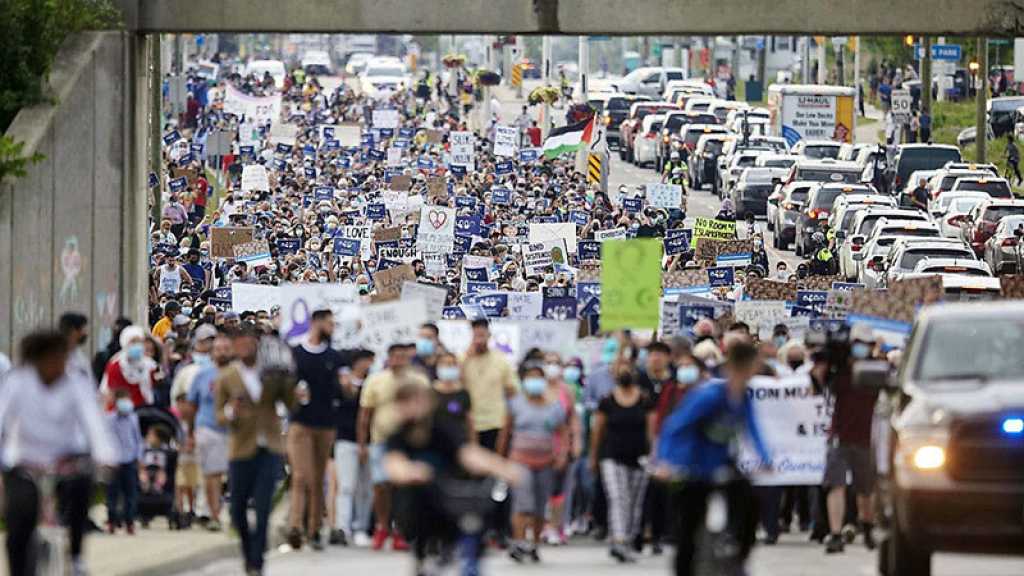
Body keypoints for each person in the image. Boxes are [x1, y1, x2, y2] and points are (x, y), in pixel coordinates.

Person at [0, 330, 115, 576]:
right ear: (39, 360)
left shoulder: (76, 382)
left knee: (81, 488)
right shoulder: (18, 381)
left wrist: (106, 456)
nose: (62, 364)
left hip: (66, 458)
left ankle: (75, 556)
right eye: (56, 359)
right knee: (18, 524)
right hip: (24, 460)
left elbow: (94, 423)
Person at [654, 341, 771, 576]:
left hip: (721, 466)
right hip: (692, 467)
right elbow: (675, 426)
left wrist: (766, 459)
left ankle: (738, 557)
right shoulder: (710, 395)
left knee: (750, 503)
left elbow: (753, 429)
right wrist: (664, 461)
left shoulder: (743, 398)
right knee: (688, 529)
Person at [384, 383, 524, 576]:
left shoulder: (441, 427)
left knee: (492, 499)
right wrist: (411, 471)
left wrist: (503, 468)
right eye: (405, 402)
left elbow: (468, 454)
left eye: (416, 400)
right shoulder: (397, 435)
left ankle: (494, 539)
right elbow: (394, 464)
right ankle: (426, 557)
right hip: (419, 504)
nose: (412, 406)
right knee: (415, 503)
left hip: (450, 497)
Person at [215, 326, 299, 576]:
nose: (245, 349)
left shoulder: (272, 372)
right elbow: (219, 415)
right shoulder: (227, 376)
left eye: (250, 344)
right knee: (237, 508)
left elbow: (290, 403)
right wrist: (232, 411)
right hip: (241, 447)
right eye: (240, 345)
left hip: (270, 446)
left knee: (263, 505)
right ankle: (247, 547)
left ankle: (257, 561)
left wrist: (293, 387)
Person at [812, 324, 880, 554]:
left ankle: (868, 526)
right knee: (836, 484)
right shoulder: (839, 370)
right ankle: (835, 533)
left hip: (865, 437)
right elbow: (818, 385)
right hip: (839, 435)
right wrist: (824, 362)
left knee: (865, 490)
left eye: (865, 344)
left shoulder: (877, 369)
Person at [359, 343, 431, 551]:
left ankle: (400, 530)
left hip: (410, 443)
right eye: (395, 357)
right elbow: (365, 415)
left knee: (403, 488)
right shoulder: (375, 381)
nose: (399, 360)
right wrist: (362, 444)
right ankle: (382, 526)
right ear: (389, 358)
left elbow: (427, 410)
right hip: (380, 441)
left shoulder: (419, 379)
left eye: (403, 357)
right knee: (381, 485)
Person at [287, 309, 343, 551]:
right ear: (316, 323)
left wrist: (347, 386)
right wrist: (293, 393)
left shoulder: (335, 356)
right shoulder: (296, 353)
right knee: (301, 475)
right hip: (300, 423)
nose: (332, 327)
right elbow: (285, 385)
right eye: (329, 323)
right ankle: (295, 526)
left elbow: (341, 390)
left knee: (317, 477)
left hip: (325, 424)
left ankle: (314, 528)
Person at [589, 360, 655, 563]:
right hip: (612, 456)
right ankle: (617, 540)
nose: (625, 372)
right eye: (620, 369)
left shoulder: (645, 400)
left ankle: (627, 539)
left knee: (635, 502)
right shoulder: (607, 400)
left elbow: (651, 432)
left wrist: (654, 456)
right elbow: (597, 431)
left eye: (629, 368)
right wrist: (594, 457)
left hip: (640, 456)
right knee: (619, 498)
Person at [504, 361, 566, 563]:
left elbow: (562, 432)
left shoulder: (554, 405)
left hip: (546, 462)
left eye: (538, 377)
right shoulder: (515, 403)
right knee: (523, 503)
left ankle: (534, 545)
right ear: (523, 380)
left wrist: (562, 454)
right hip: (520, 461)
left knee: (540, 507)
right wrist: (500, 459)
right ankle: (519, 542)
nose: (534, 381)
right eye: (530, 377)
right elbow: (505, 432)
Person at [185, 327, 232, 532]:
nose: (221, 352)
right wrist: (189, 432)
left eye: (225, 348)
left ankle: (222, 510)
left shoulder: (238, 373)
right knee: (212, 473)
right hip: (208, 429)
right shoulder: (202, 375)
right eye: (218, 348)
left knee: (226, 475)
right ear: (212, 352)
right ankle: (214, 514)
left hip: (234, 432)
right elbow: (191, 405)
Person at [329, 349, 375, 547]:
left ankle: (361, 527)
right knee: (346, 486)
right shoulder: (341, 384)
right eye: (366, 360)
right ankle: (343, 527)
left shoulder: (373, 383)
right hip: (346, 440)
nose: (369, 364)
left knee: (366, 488)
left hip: (371, 441)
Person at [101, 325, 157, 409]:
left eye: (140, 342)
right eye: (133, 342)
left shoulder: (150, 365)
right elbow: (109, 394)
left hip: (144, 412)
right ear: (125, 343)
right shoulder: (116, 365)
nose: (137, 345)